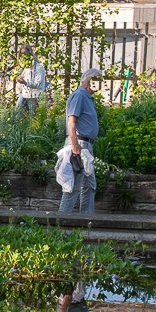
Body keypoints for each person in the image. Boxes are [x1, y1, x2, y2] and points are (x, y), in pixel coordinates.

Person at [59, 68, 102, 214]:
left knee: (89, 186)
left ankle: (86, 221)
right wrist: (76, 147)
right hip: (79, 145)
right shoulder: (79, 96)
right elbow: (71, 122)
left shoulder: (87, 98)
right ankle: (61, 223)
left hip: (85, 145)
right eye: (98, 80)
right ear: (89, 81)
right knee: (73, 186)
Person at [14, 45, 47, 115]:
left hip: (35, 96)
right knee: (17, 116)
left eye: (26, 53)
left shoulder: (39, 68)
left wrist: (25, 83)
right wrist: (19, 80)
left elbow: (37, 85)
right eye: (22, 54)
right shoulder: (26, 68)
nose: (24, 56)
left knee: (33, 118)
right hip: (24, 95)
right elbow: (21, 84)